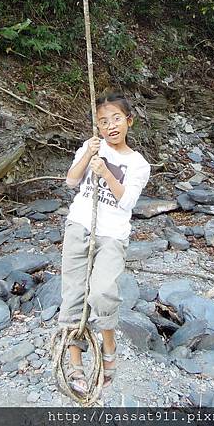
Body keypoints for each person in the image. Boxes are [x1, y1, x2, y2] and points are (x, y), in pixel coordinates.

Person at [58, 91, 151, 394]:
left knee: (102, 293)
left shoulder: (138, 163)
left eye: (116, 119)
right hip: (79, 226)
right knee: (73, 295)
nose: (110, 126)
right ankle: (74, 363)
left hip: (112, 234)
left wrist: (106, 173)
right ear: (97, 126)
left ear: (129, 121)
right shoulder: (91, 146)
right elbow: (71, 181)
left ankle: (108, 346)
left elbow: (128, 202)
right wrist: (88, 155)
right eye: (103, 122)